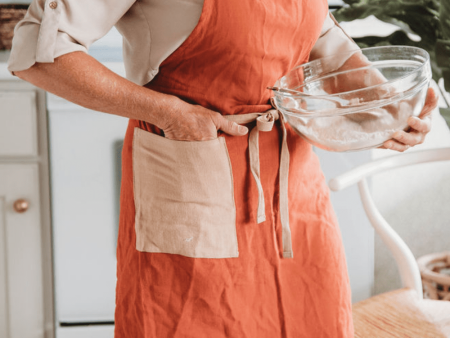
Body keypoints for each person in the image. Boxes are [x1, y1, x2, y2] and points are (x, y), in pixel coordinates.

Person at [8, 0, 438, 337]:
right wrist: (167, 111)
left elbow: (315, 28)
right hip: (194, 169)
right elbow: (40, 50)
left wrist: (383, 107)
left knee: (309, 316)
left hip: (290, 185)